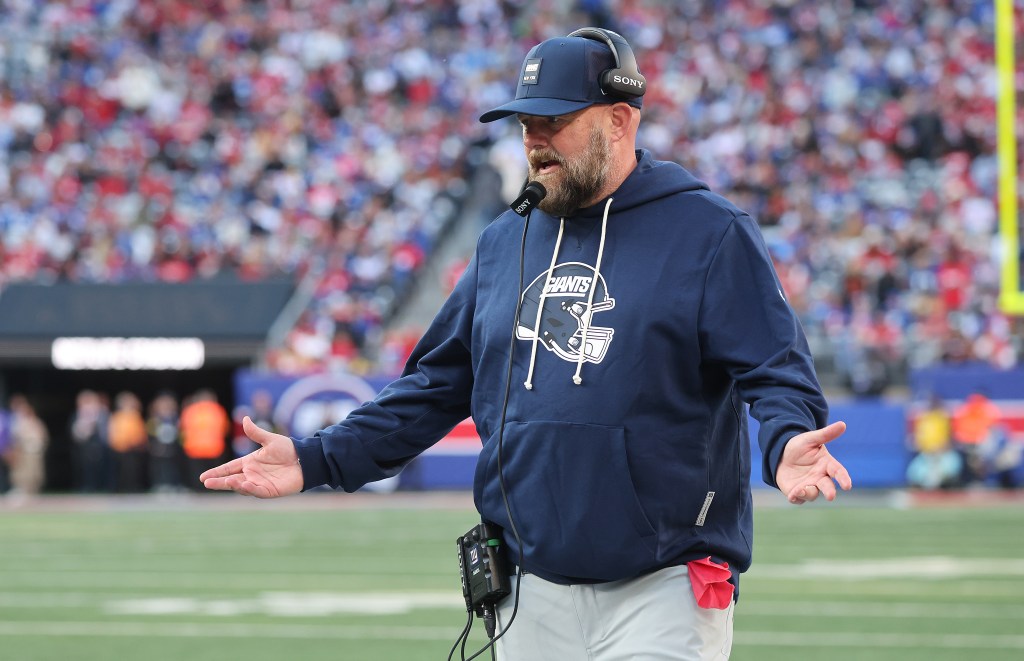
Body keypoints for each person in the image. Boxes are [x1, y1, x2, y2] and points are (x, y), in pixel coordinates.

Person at [202, 27, 852, 660]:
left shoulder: (708, 233)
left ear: (619, 121)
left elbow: (775, 370)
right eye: (525, 123)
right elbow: (433, 386)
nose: (534, 139)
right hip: (528, 588)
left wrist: (787, 439)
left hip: (666, 582)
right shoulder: (503, 241)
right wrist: (317, 459)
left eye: (555, 121)